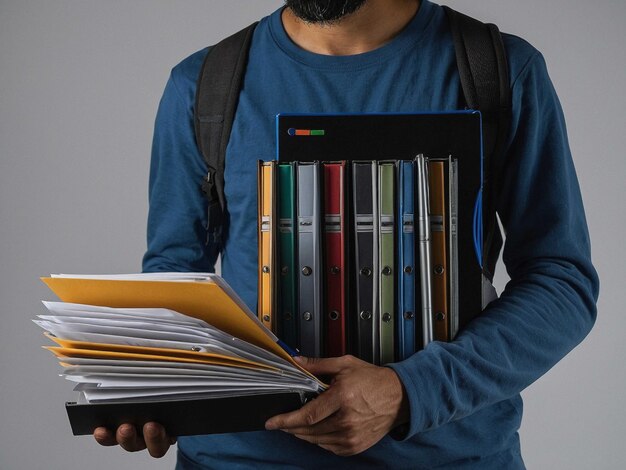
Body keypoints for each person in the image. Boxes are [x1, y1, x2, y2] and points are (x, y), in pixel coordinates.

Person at [94, 0, 599, 468]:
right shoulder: (203, 83)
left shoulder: (500, 70)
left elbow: (562, 282)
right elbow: (174, 276)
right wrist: (154, 387)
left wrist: (409, 391)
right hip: (238, 459)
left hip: (450, 457)